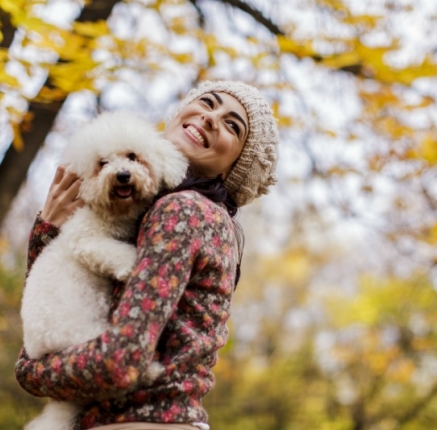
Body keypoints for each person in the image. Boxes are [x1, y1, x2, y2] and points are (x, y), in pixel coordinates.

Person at [15, 80, 279, 430]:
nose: (212, 117)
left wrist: (31, 370)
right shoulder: (153, 216)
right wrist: (48, 233)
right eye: (207, 102)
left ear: (233, 169)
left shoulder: (182, 211)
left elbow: (120, 362)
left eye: (233, 125)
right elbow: (63, 304)